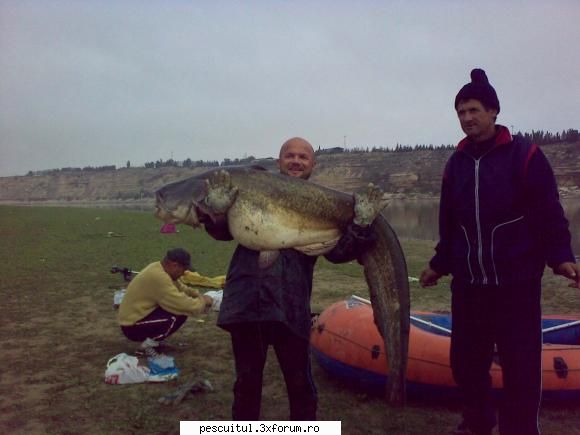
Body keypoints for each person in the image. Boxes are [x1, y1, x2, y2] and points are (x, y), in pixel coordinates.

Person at [419, 69, 579, 435]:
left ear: (493, 111)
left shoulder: (525, 156)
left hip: (516, 288)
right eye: (460, 112)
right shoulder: (454, 165)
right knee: (466, 365)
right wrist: (438, 265)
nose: (466, 119)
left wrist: (562, 257)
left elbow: (549, 214)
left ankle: (519, 429)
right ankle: (477, 423)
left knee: (520, 370)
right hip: (470, 288)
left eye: (473, 110)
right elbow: (449, 225)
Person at [201, 137, 387, 421]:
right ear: (279, 162)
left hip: (291, 305)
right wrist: (217, 212)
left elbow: (338, 253)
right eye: (290, 155)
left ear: (312, 164)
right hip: (246, 302)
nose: (296, 161)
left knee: (300, 384)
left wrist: (360, 224)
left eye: (303, 157)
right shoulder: (253, 188)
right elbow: (223, 232)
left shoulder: (320, 204)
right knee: (246, 384)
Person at [118, 248, 214, 356]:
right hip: (131, 326)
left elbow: (180, 287)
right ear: (174, 265)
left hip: (137, 317)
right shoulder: (158, 277)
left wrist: (198, 295)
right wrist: (203, 302)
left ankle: (154, 342)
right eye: (183, 269)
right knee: (176, 314)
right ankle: (146, 348)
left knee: (178, 312)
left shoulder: (159, 268)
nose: (183, 274)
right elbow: (182, 304)